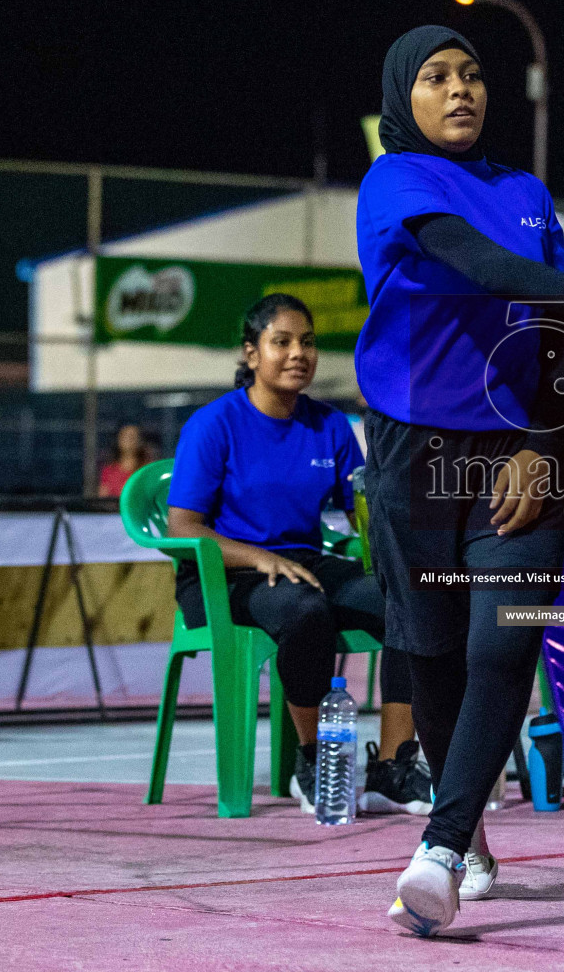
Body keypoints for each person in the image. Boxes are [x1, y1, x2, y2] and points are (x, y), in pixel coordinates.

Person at [355, 26, 564, 936]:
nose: (461, 91)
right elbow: (487, 272)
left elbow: (550, 330)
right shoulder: (396, 180)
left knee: (504, 641)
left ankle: (440, 850)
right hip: (415, 456)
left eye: (473, 76)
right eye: (437, 78)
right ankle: (471, 830)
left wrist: (545, 439)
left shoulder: (526, 193)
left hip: (522, 452)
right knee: (437, 657)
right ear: (401, 98)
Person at [166, 294, 430, 817]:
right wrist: (258, 559)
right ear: (250, 354)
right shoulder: (213, 425)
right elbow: (184, 526)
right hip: (224, 575)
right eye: (281, 342)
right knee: (305, 612)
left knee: (409, 601)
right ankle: (312, 762)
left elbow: (361, 507)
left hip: (303, 562)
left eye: (306, 342)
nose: (298, 354)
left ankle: (393, 766)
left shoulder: (329, 425)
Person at [98, 423, 150, 498]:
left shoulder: (146, 470)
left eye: (133, 437)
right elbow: (102, 499)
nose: (129, 441)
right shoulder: (109, 471)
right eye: (125, 436)